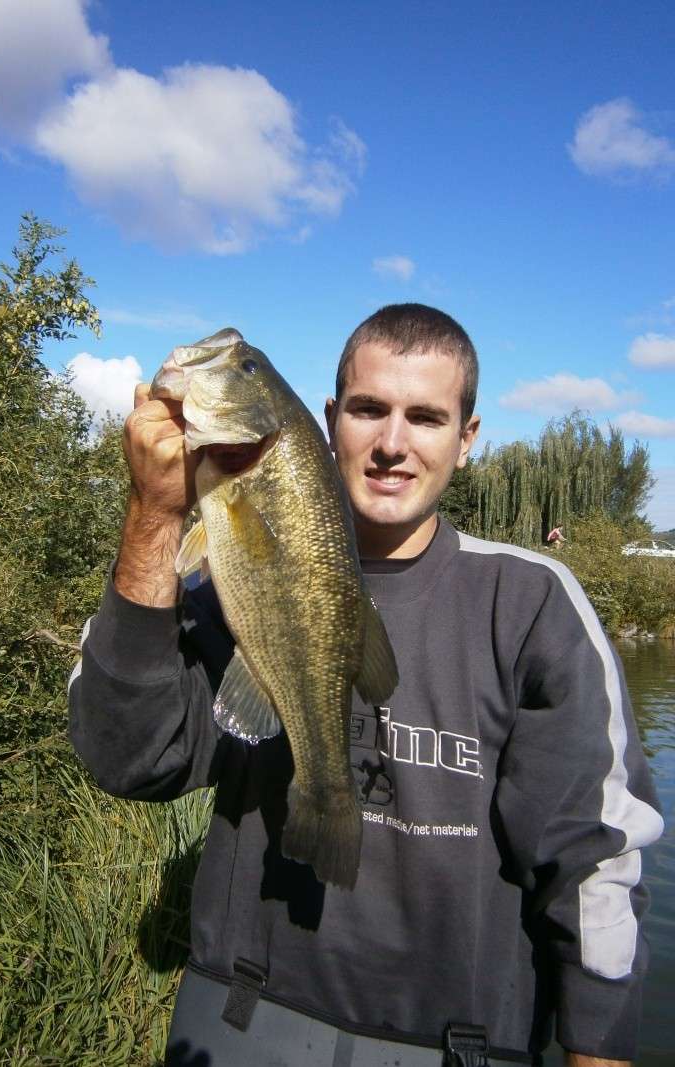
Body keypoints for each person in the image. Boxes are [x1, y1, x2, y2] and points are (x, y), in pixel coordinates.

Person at [69, 304, 663, 1067]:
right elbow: (128, 758)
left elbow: (592, 859)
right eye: (368, 409)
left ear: (467, 438)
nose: (391, 443)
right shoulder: (223, 575)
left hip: (455, 1047)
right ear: (329, 421)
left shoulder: (532, 604)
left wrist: (598, 1045)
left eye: (426, 417)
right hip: (239, 1018)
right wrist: (156, 512)